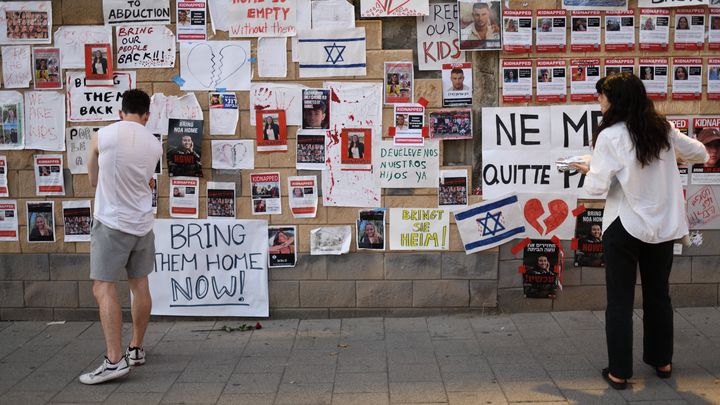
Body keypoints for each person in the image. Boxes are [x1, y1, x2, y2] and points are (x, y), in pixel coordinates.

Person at [570, 73, 708, 390]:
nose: (599, 101)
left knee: (619, 300)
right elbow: (701, 152)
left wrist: (587, 168)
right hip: (661, 227)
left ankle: (619, 372)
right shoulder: (662, 128)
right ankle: (662, 361)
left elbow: (597, 187)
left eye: (602, 95)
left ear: (616, 99)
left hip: (625, 225)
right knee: (658, 295)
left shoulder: (611, 136)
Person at [79, 89, 162, 385]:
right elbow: (146, 179)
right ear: (147, 116)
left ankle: (114, 360)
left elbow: (91, 177)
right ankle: (136, 348)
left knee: (102, 288)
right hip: (142, 224)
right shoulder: (154, 145)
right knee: (139, 285)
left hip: (112, 223)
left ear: (120, 112)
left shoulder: (104, 135)